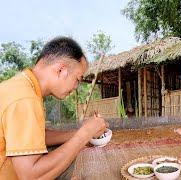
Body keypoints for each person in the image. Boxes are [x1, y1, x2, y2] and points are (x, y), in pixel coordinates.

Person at [0, 37, 108, 179]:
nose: (76, 87)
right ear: (61, 70)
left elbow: (37, 137)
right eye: (77, 79)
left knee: (66, 148)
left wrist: (80, 134)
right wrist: (85, 134)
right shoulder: (25, 99)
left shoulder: (23, 85)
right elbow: (30, 176)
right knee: (68, 153)